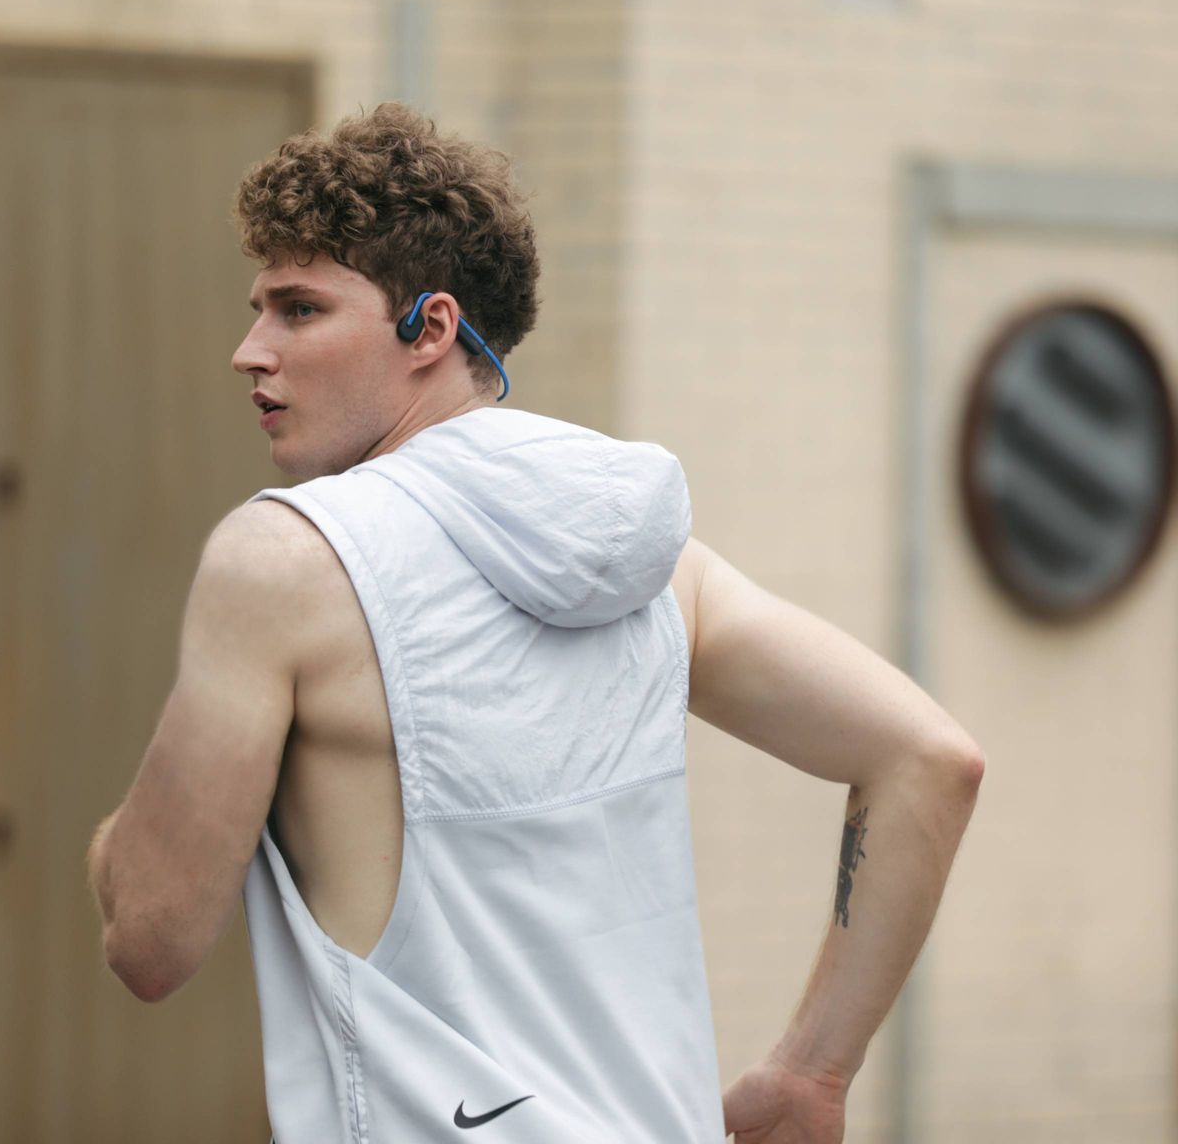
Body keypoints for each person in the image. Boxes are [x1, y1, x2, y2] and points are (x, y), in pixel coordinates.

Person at [85, 102, 985, 1143]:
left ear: (430, 328)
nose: (250, 351)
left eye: (299, 310)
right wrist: (811, 1074)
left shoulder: (285, 561)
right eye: (260, 311)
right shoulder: (659, 568)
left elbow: (150, 939)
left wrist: (121, 845)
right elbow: (930, 760)